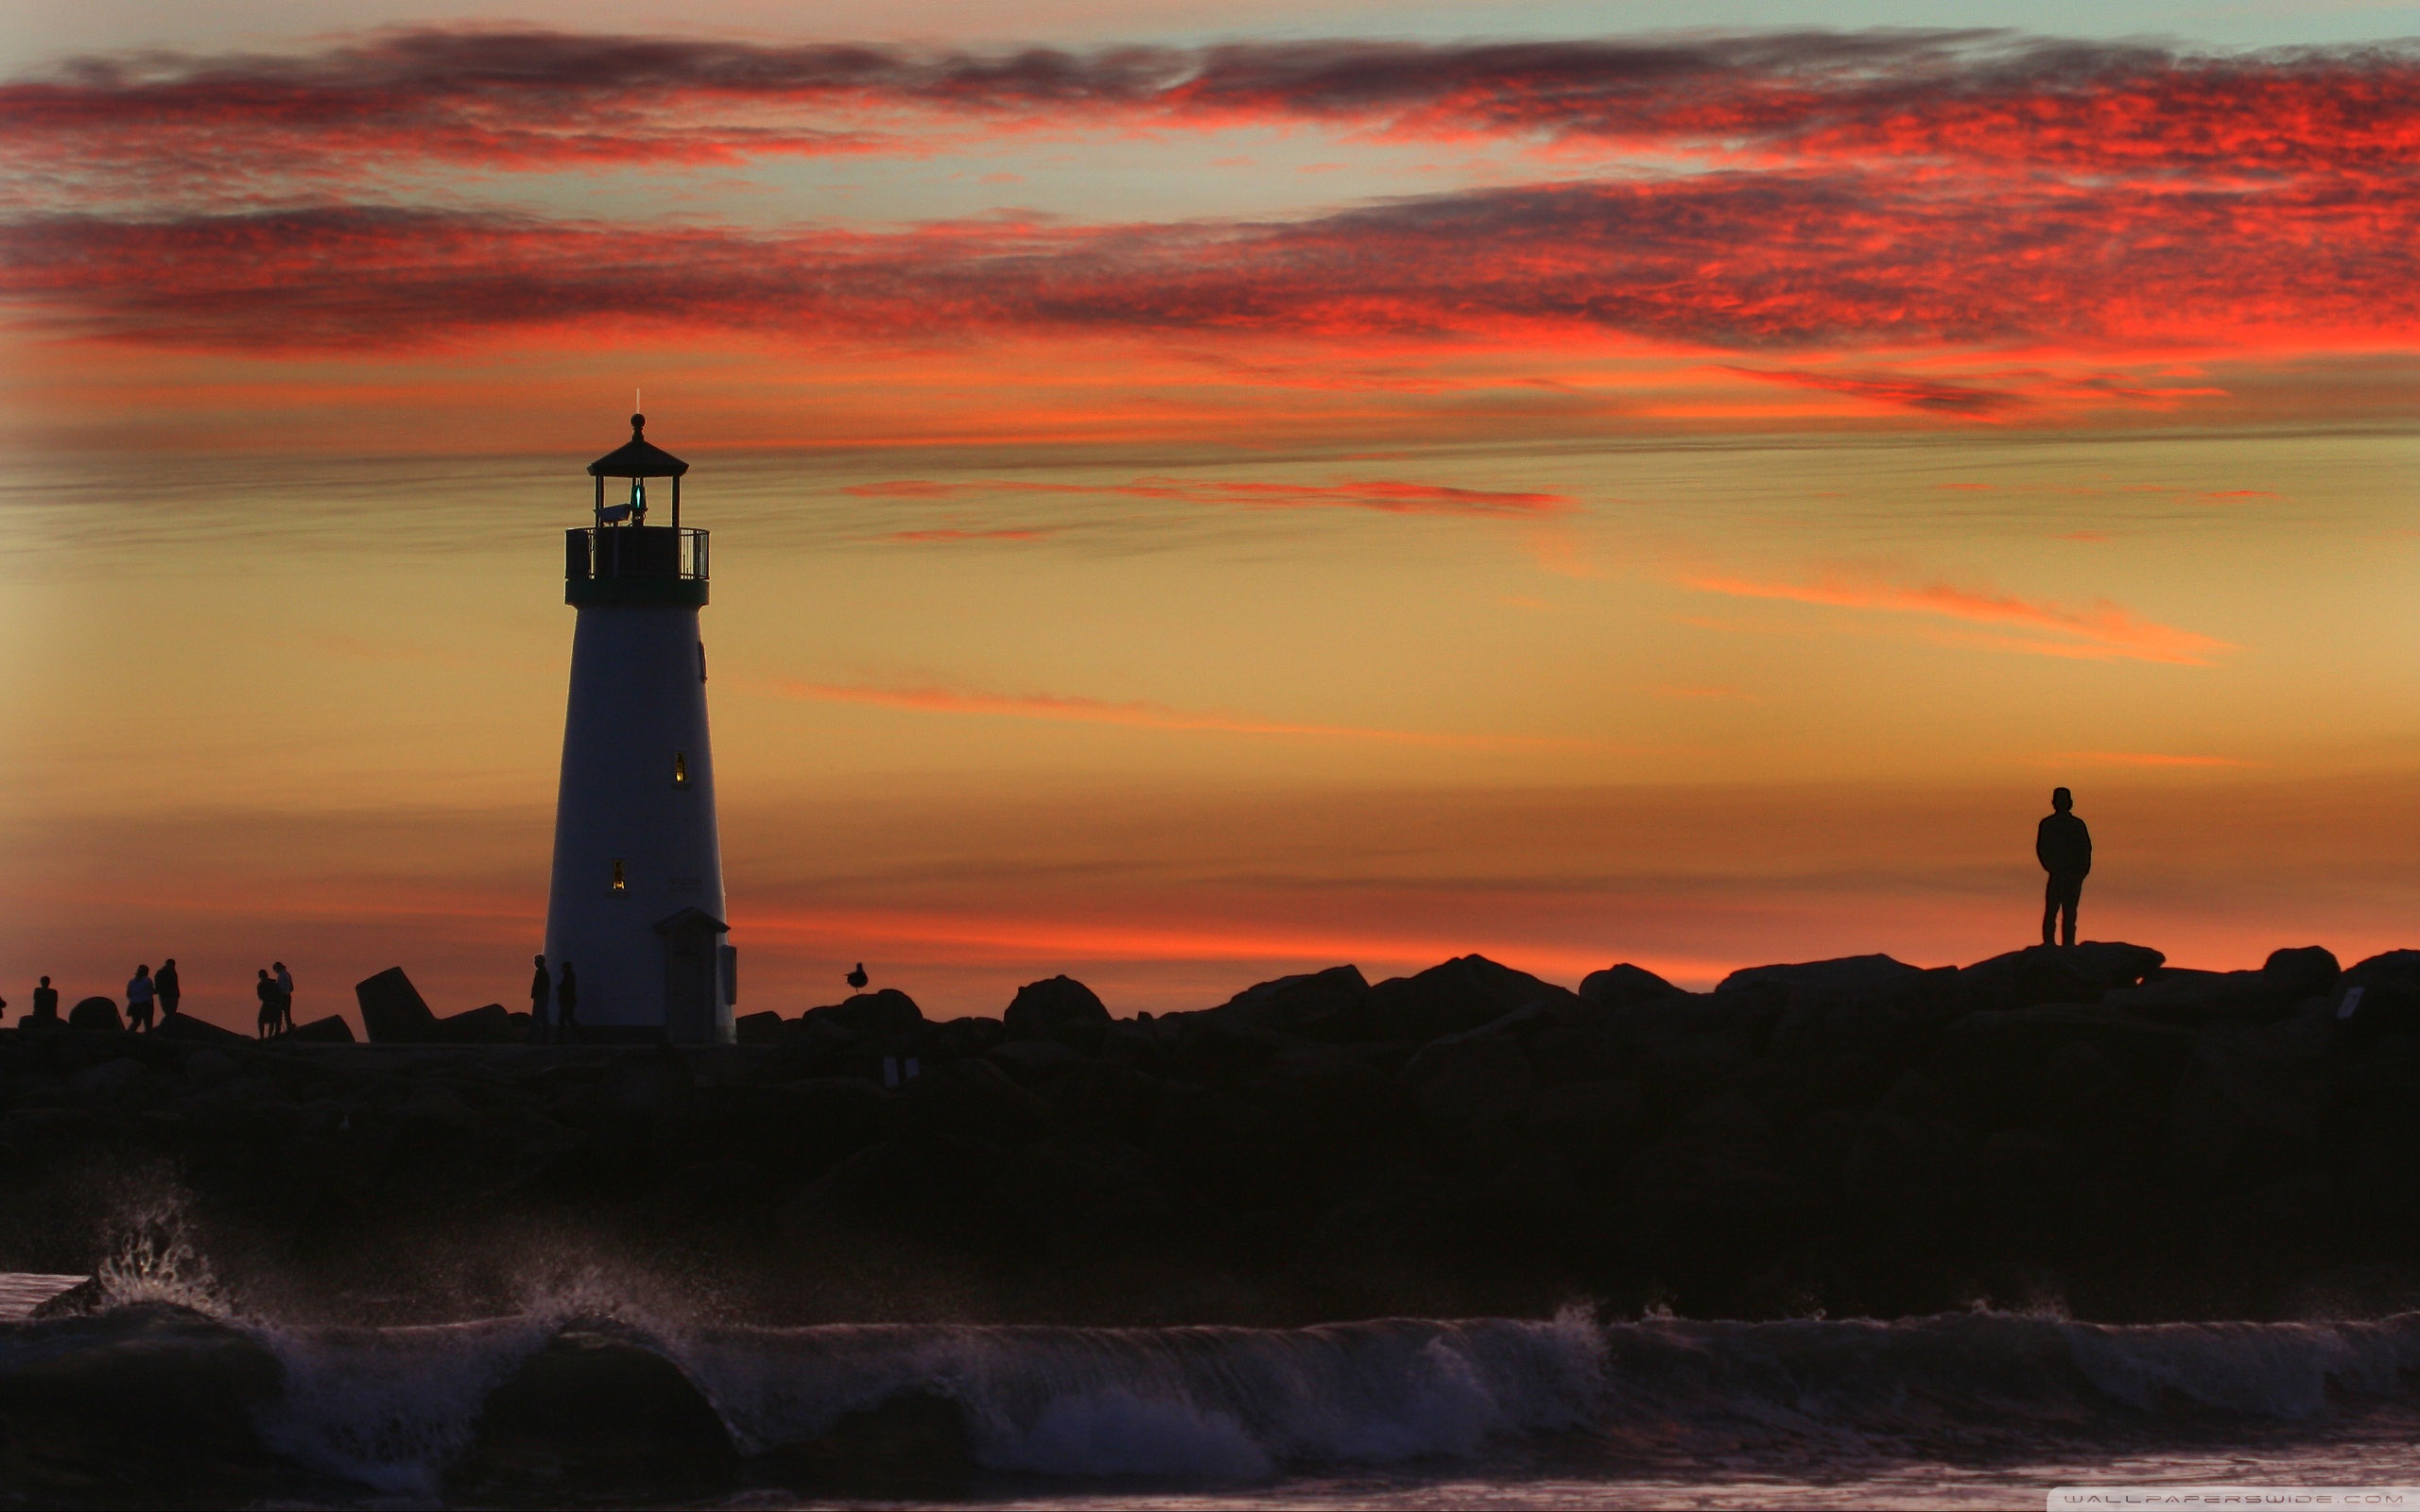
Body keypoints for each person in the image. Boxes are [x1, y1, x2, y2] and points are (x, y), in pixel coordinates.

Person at [2036, 786, 2093, 949]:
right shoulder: (2049, 824)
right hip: (2058, 874)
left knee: (2069, 913)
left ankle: (2067, 945)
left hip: (2072, 875)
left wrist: (2080, 872)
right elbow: (2043, 849)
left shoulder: (2076, 825)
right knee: (2053, 912)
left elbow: (2085, 850)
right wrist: (2053, 868)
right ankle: (2050, 945)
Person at [528, 954, 552, 1044]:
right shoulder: (542, 972)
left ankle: (537, 1038)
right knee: (542, 1017)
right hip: (540, 997)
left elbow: (541, 986)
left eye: (535, 961)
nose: (534, 963)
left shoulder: (542, 973)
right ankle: (542, 1038)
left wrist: (538, 995)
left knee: (538, 1017)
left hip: (540, 997)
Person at [126, 965, 156, 1033]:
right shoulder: (147, 981)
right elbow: (152, 991)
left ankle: (128, 1034)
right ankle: (148, 1036)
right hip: (146, 1004)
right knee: (148, 1023)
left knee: (136, 1022)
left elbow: (129, 994)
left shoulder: (131, 982)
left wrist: (135, 998)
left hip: (134, 1004)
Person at [555, 961, 579, 1042]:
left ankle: (561, 1038)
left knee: (564, 1019)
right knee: (568, 1019)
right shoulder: (569, 976)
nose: (562, 969)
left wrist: (560, 989)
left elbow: (568, 989)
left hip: (567, 1002)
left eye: (563, 967)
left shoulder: (568, 977)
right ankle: (562, 1038)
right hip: (568, 1001)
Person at [255, 969, 282, 1039]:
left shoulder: (261, 984)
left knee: (261, 1021)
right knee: (272, 1021)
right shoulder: (273, 983)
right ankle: (269, 1036)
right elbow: (278, 993)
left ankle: (262, 1037)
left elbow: (261, 996)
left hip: (267, 1004)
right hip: (274, 1004)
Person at [272, 961, 295, 1033]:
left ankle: (278, 1031)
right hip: (288, 996)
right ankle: (289, 1028)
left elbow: (280, 988)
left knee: (279, 1014)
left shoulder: (282, 975)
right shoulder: (287, 974)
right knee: (287, 1014)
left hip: (283, 997)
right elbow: (291, 988)